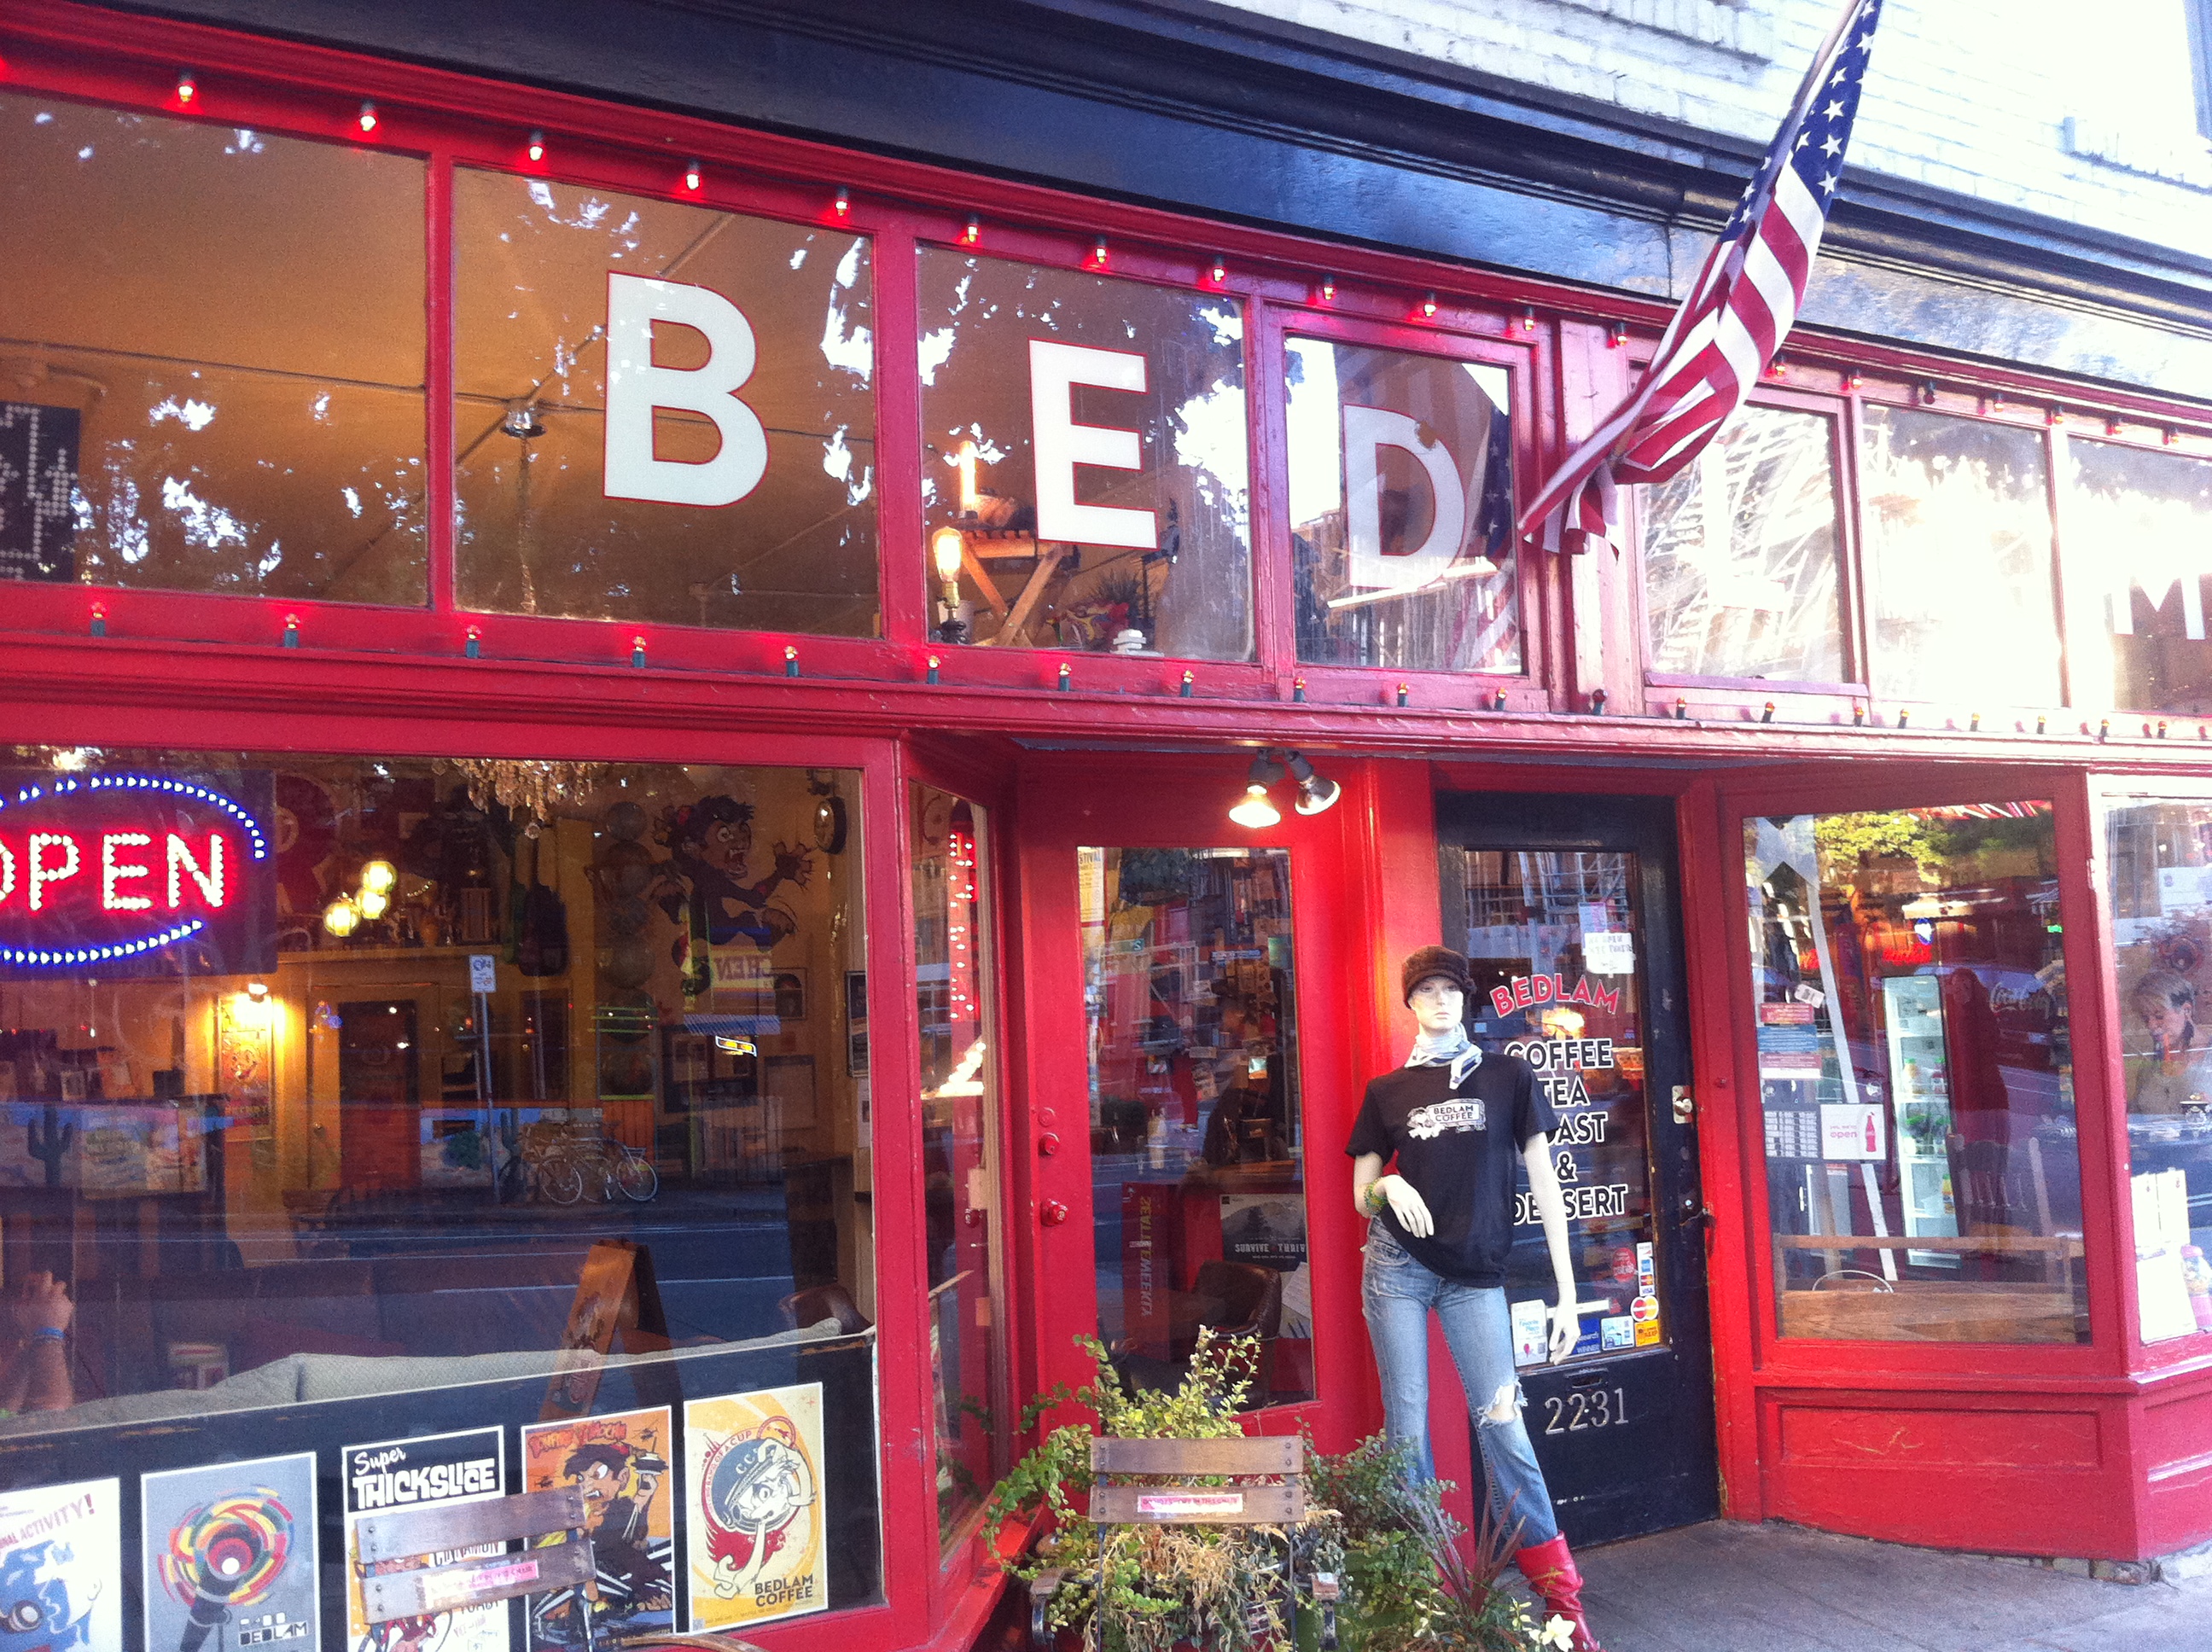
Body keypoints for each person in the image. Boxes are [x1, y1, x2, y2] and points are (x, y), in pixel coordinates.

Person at [1346, 946, 1602, 1652]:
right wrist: (1387, 1185)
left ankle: (1562, 1607)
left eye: (1450, 990)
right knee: (1407, 1426)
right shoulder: (1387, 1090)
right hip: (1398, 1266)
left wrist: (1568, 1293)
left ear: (1466, 999)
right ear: (1409, 1002)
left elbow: (1546, 1185)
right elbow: (1360, 1194)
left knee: (1503, 1424)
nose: (1439, 1000)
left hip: (1475, 1274)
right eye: (1425, 990)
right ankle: (1422, 1599)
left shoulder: (1507, 1076)